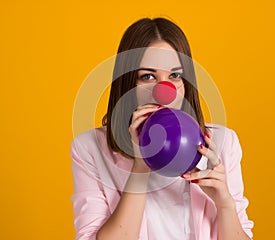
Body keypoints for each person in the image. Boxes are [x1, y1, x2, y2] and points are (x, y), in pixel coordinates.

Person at [70, 17, 254, 240]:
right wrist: (140, 166)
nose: (164, 90)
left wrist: (224, 204)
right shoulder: (90, 148)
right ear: (128, 83)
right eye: (147, 76)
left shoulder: (223, 143)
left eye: (175, 75)